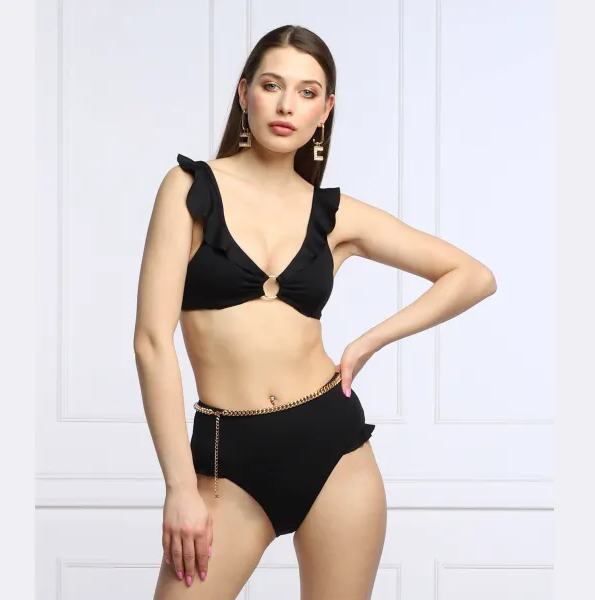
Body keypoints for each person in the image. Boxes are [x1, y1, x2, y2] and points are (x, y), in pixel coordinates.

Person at [133, 24, 497, 600]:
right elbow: (152, 342)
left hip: (335, 452)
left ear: (325, 110)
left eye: (307, 92)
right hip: (228, 462)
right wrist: (180, 486)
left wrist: (368, 342)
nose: (286, 105)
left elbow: (472, 276)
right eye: (272, 85)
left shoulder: (335, 214)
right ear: (244, 92)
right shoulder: (188, 189)